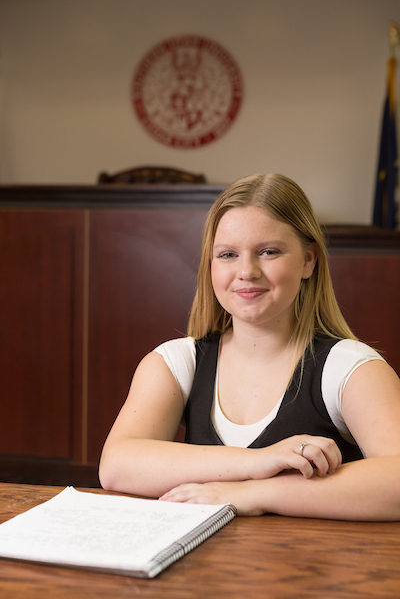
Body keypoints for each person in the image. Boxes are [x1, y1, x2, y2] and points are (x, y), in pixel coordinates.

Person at [99, 173, 400, 520]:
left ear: (308, 260)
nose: (247, 271)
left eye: (268, 252)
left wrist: (254, 493)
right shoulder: (176, 361)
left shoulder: (350, 367)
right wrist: (259, 461)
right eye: (228, 254)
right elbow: (116, 466)